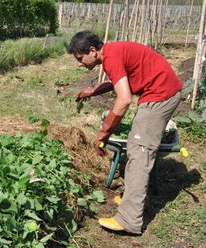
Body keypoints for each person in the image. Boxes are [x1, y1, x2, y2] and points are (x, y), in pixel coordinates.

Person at [67, 31, 183, 234]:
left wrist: (103, 133)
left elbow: (123, 101)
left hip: (160, 96)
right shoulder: (112, 52)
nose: (79, 63)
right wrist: (94, 90)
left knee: (139, 153)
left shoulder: (111, 57)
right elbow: (119, 80)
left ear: (92, 51)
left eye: (80, 58)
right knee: (135, 147)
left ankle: (130, 220)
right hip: (161, 92)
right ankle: (132, 196)